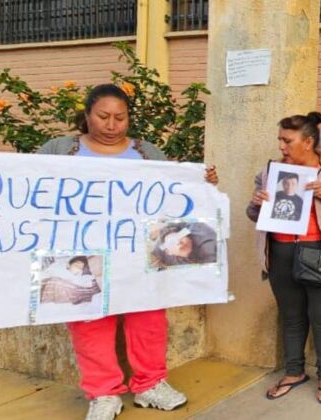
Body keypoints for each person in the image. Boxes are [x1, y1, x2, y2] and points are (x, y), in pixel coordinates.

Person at [36, 83, 219, 420]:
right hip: (82, 253)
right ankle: (103, 393)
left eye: (120, 118)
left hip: (138, 255)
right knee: (89, 322)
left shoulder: (147, 152)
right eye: (103, 116)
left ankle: (150, 384)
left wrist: (199, 182)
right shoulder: (60, 149)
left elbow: (172, 198)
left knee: (148, 318)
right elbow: (34, 189)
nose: (111, 125)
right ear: (87, 115)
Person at [247, 112, 321, 404]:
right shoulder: (271, 171)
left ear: (309, 141)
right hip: (281, 251)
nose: (282, 147)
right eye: (280, 140)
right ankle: (294, 372)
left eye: (288, 140)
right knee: (291, 316)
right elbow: (254, 216)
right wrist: (256, 204)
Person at [152, 222, 218, 268]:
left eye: (179, 238)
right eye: (172, 243)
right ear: (168, 252)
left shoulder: (209, 245)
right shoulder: (159, 251)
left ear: (187, 235)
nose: (178, 243)